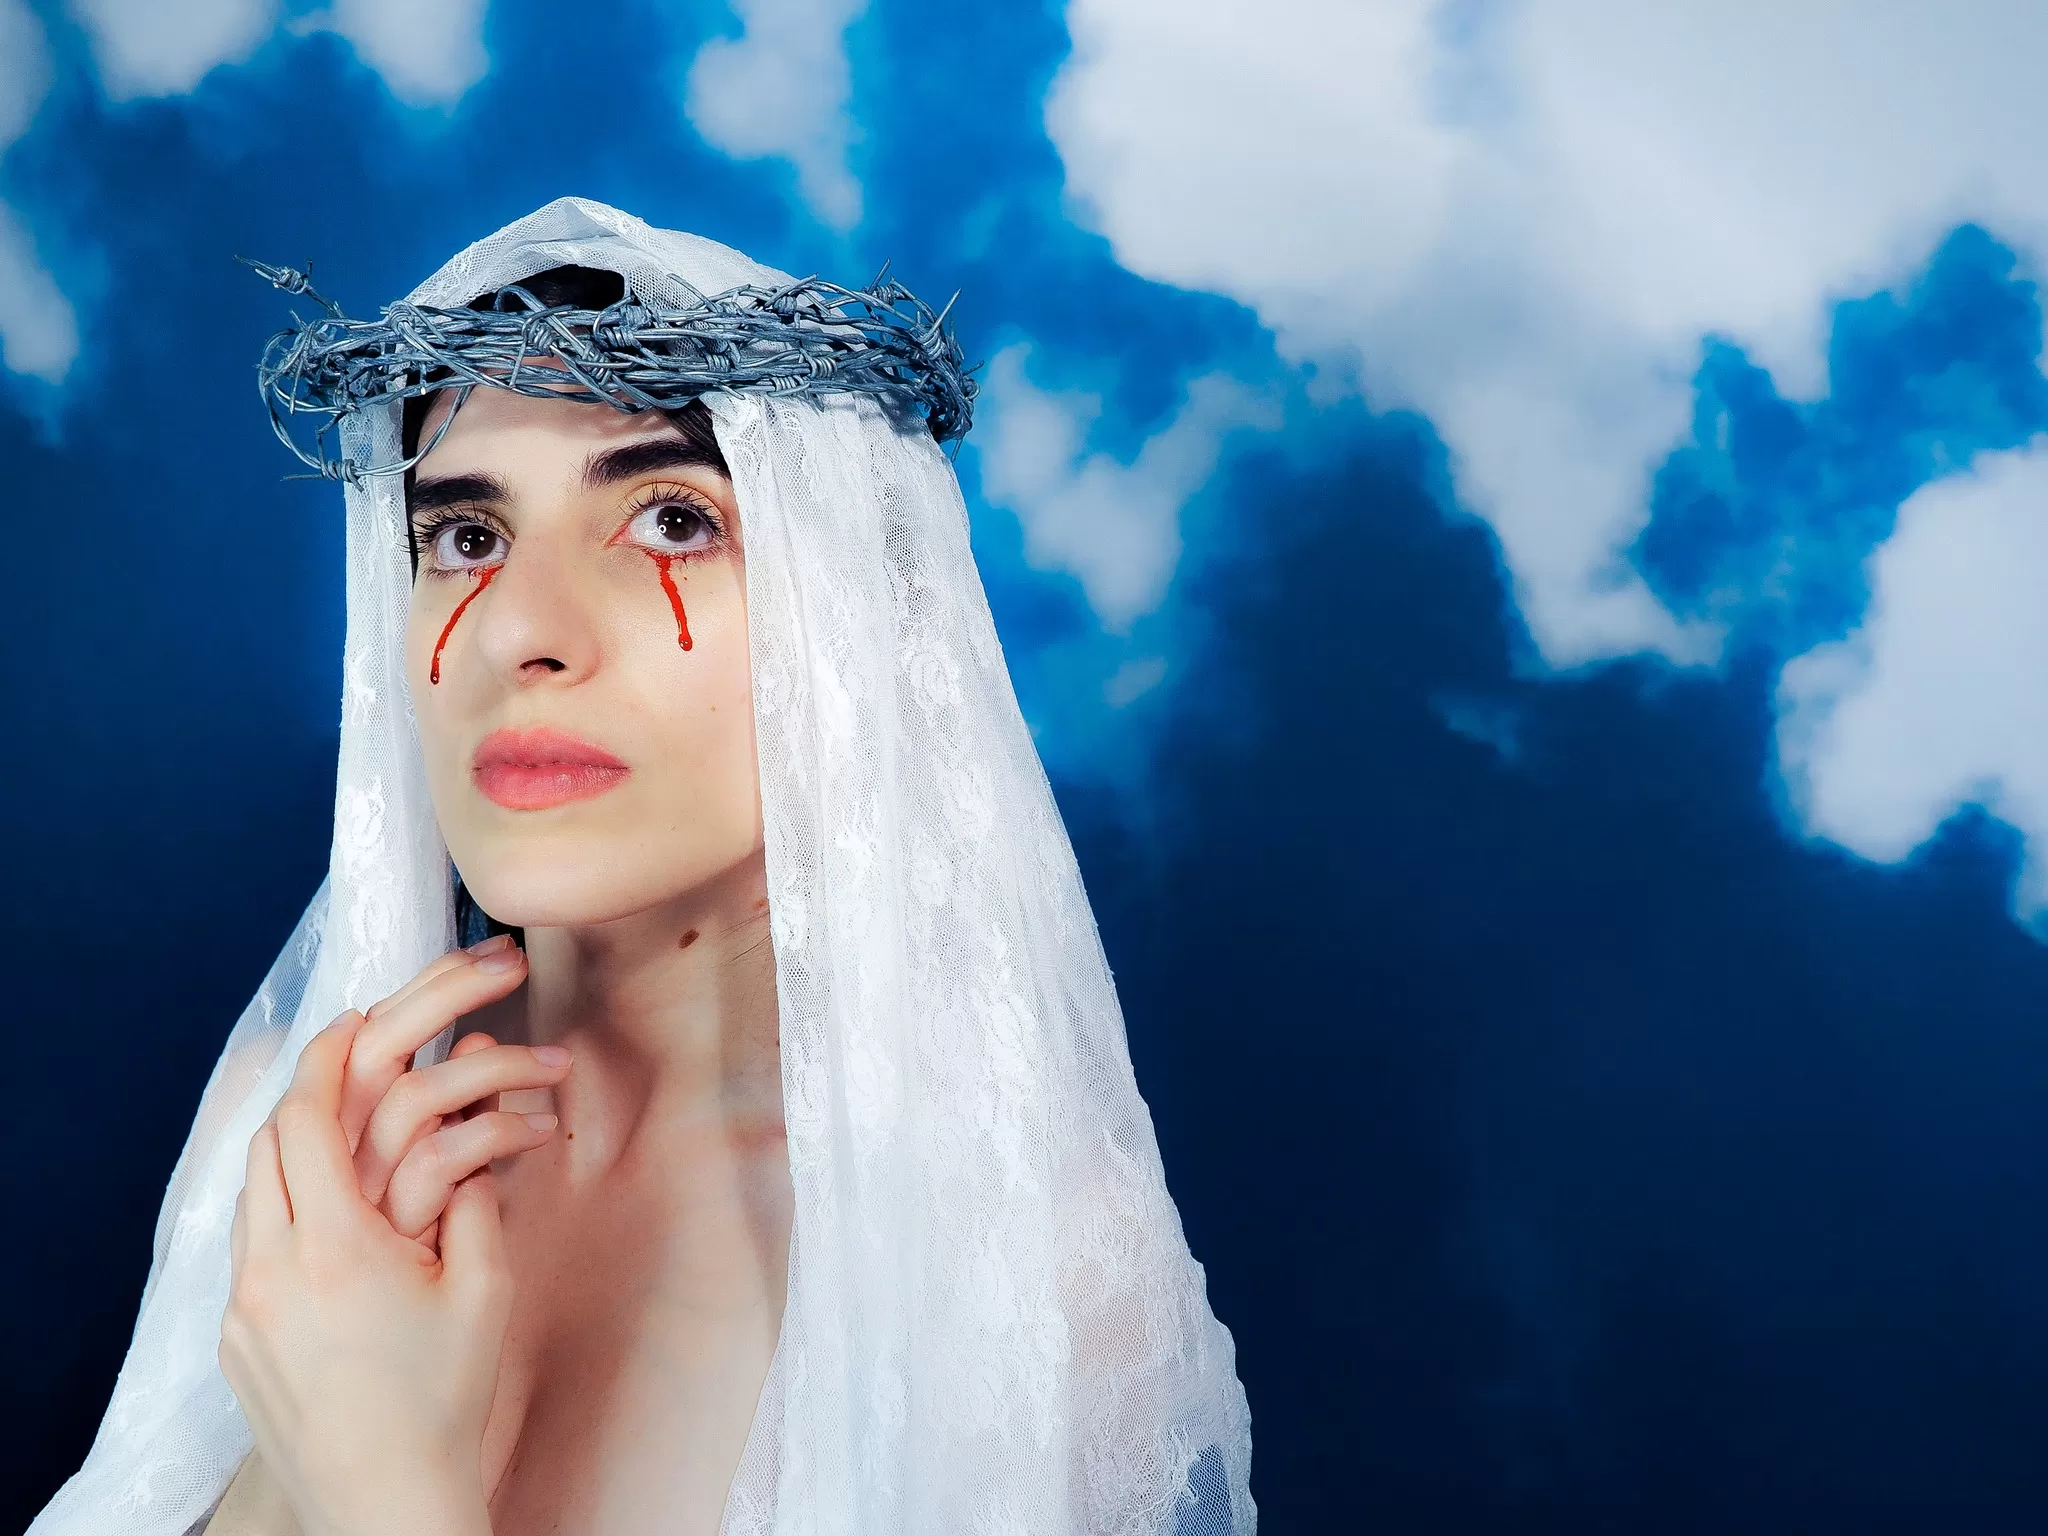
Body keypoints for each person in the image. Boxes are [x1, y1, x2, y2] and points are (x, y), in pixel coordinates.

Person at [29, 197, 1253, 1536]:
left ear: (862, 621)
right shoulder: (293, 1138)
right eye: (468, 538)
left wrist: (383, 1492)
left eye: (673, 521)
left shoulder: (1033, 1272)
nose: (521, 633)